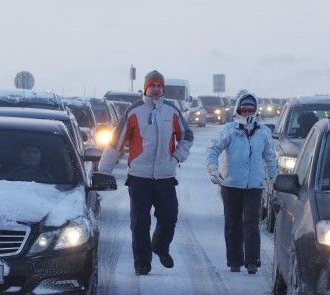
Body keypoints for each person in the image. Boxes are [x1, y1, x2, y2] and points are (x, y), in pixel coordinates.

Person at [98, 70, 194, 276]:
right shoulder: (134, 111)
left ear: (163, 88)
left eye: (159, 86)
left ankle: (159, 245)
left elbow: (186, 136)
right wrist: (104, 170)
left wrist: (176, 157)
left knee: (169, 216)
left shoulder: (172, 111)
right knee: (140, 222)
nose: (156, 89)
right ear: (146, 88)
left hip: (165, 177)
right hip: (139, 177)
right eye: (153, 86)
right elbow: (116, 142)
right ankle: (142, 262)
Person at [205, 93, 277, 275]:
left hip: (254, 186)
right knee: (232, 223)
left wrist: (273, 178)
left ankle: (252, 261)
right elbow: (213, 149)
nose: (247, 112)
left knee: (251, 222)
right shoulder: (230, 130)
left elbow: (270, 157)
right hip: (231, 184)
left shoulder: (263, 132)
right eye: (244, 108)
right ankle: (234, 261)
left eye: (250, 108)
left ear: (255, 110)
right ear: (238, 109)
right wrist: (213, 169)